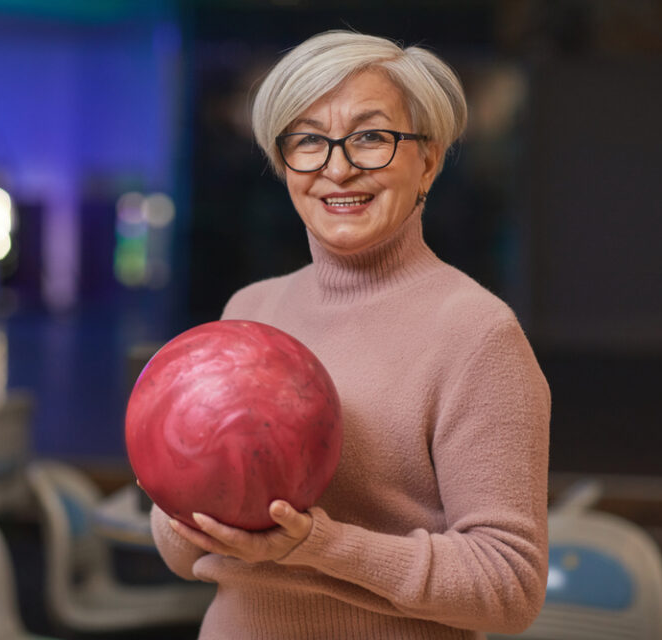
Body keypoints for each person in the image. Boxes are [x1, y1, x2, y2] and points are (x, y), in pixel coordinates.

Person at [150, 30, 551, 639]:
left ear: (430, 159)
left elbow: (508, 586)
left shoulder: (476, 333)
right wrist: (177, 499)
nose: (338, 168)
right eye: (309, 140)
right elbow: (185, 556)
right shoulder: (251, 310)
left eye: (371, 137)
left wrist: (320, 545)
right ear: (285, 163)